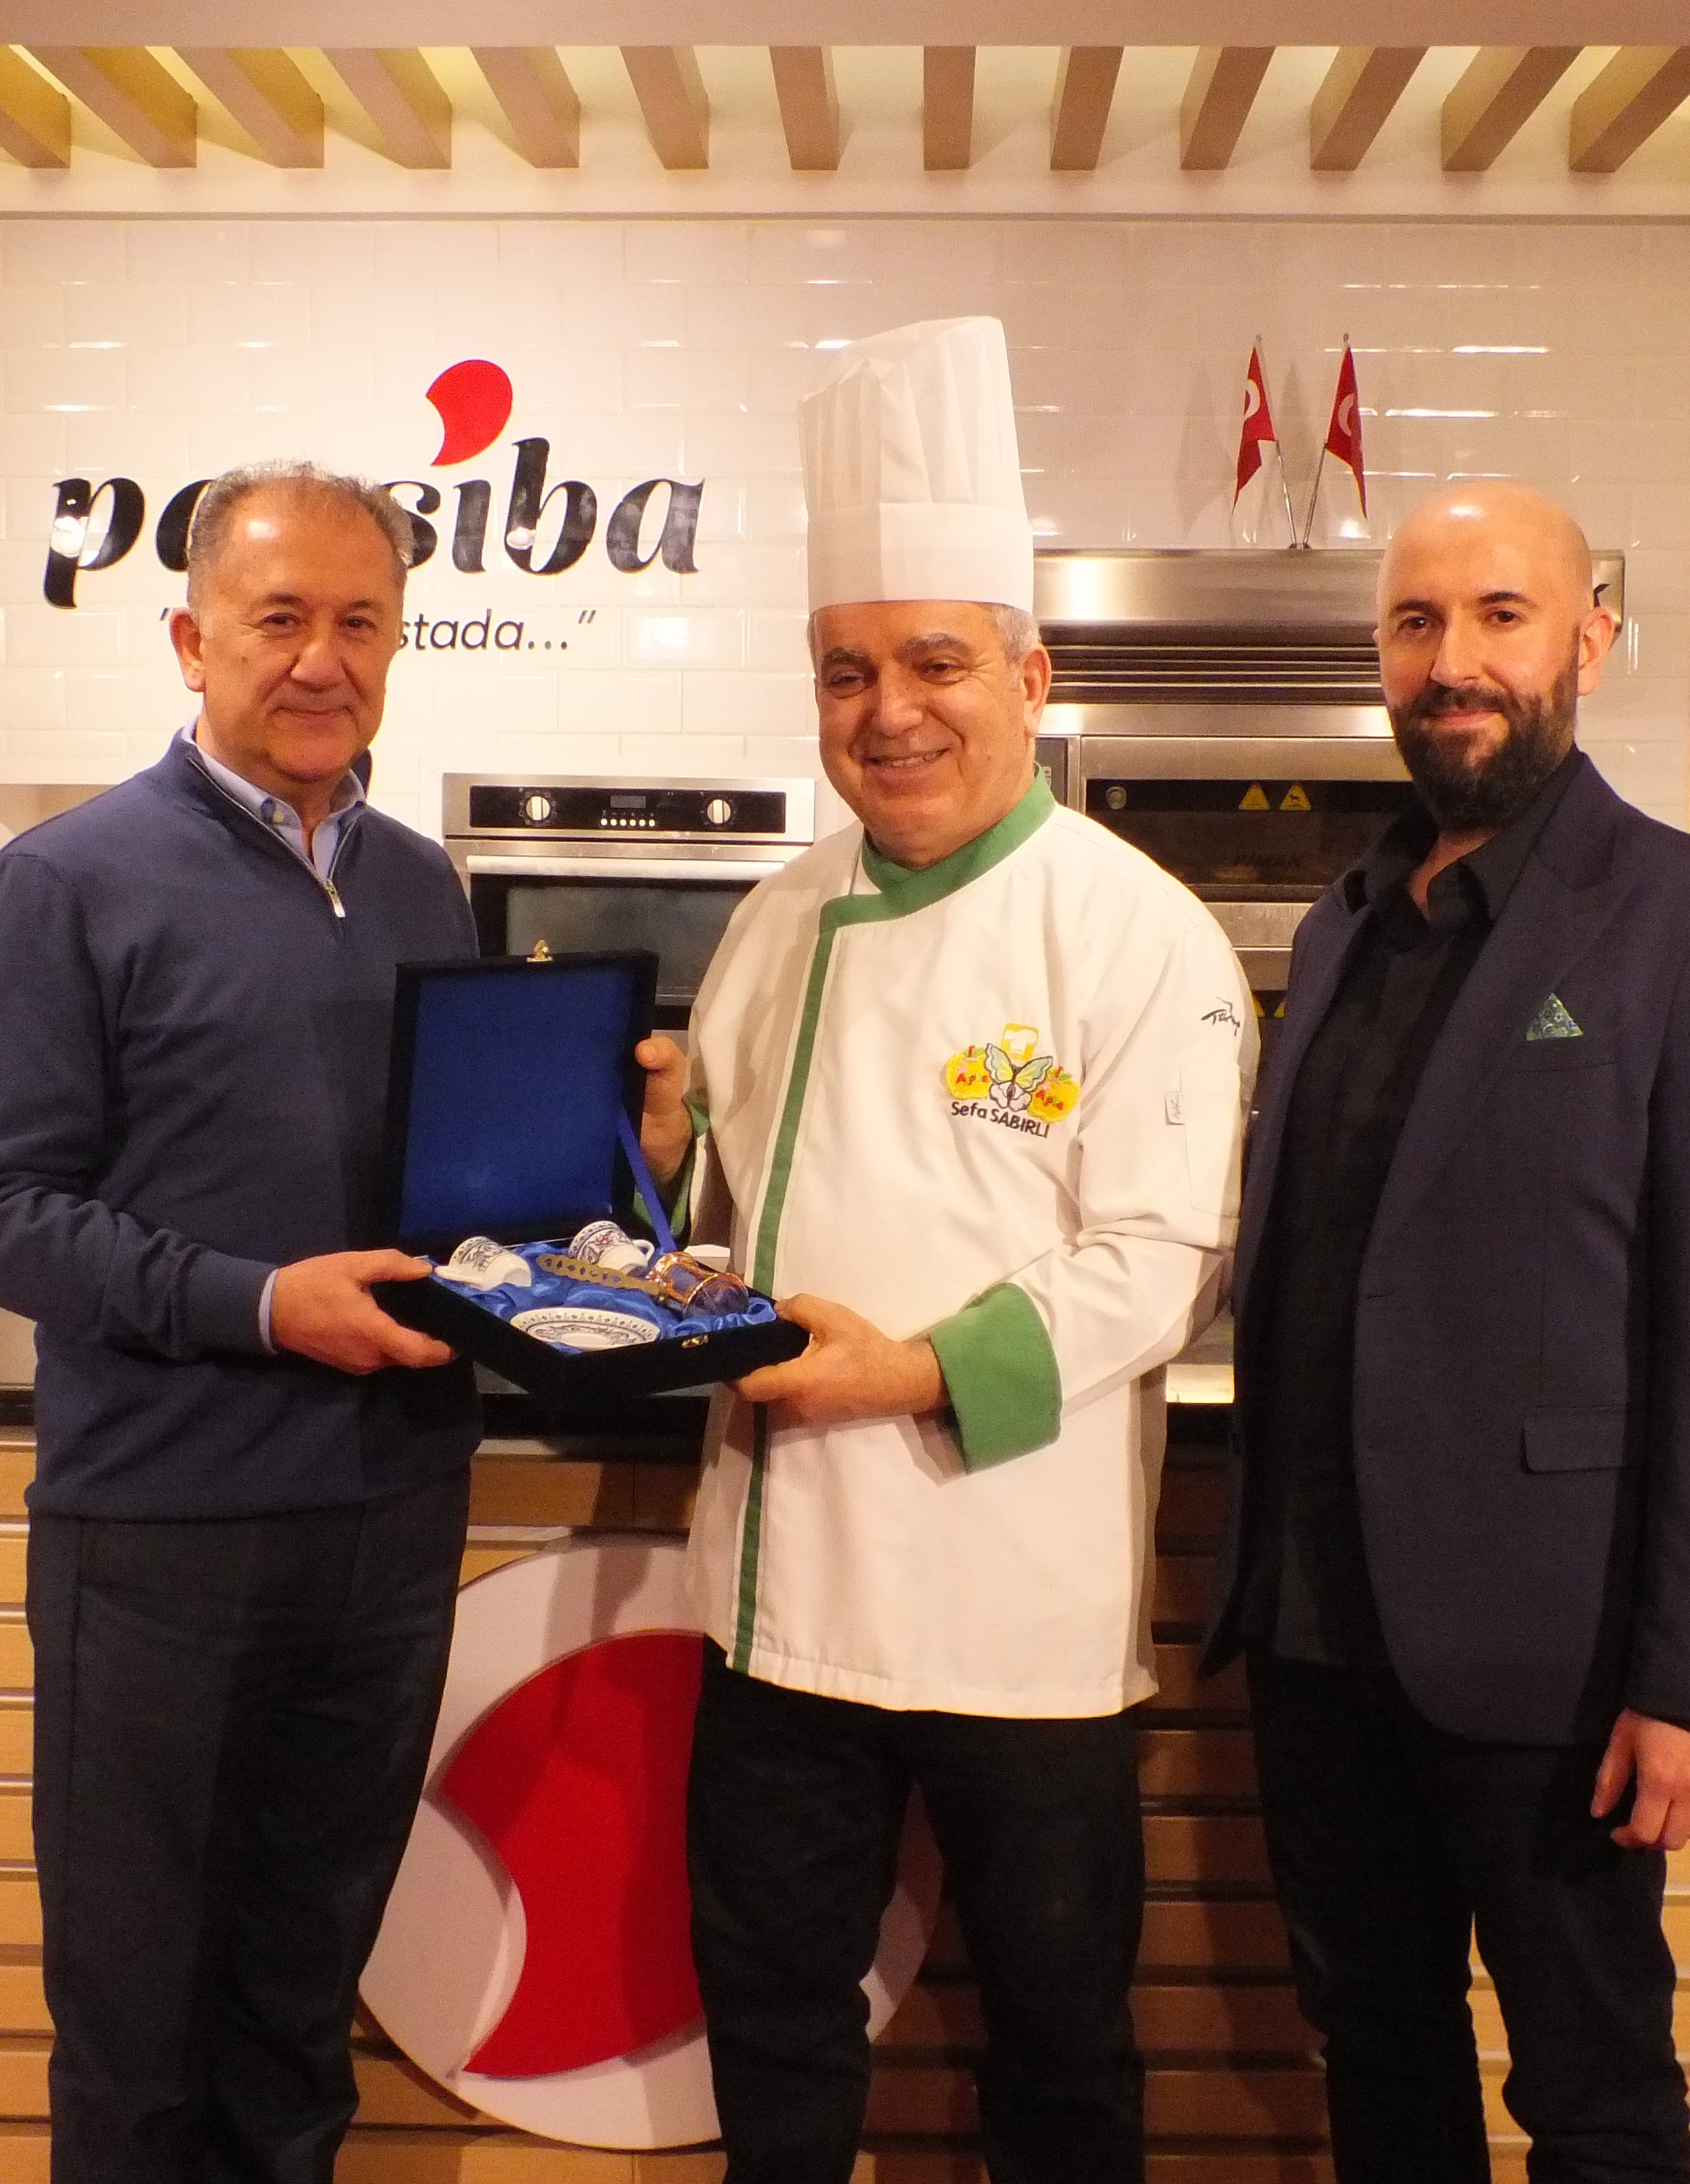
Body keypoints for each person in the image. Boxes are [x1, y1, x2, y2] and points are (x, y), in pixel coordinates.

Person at [633, 317, 1255, 2184]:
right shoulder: (776, 917)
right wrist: (657, 1173)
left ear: (1031, 676)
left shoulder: (1137, 933)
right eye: (847, 671)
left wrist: (900, 1369)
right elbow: (726, 1219)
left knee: (1059, 2059)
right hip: (777, 1608)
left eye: (934, 663)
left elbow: (1157, 1262)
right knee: (775, 2044)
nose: (889, 711)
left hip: (1019, 1612)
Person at [1203, 479, 1690, 2182]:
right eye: (1416, 624)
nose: (1452, 661)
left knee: (1594, 2093)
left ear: (1589, 643)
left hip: (1555, 1652)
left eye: (1499, 616)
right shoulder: (1344, 923)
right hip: (1317, 1633)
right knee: (1376, 2053)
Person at [0, 460, 477, 2184]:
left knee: (300, 2015)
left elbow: (443, 1189)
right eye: (279, 619)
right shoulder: (65, 883)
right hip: (165, 1531)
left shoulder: (422, 883)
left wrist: (616, 1162)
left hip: (390, 1519)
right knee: (138, 2029)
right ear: (190, 640)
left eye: (361, 622)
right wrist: (260, 1307)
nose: (324, 660)